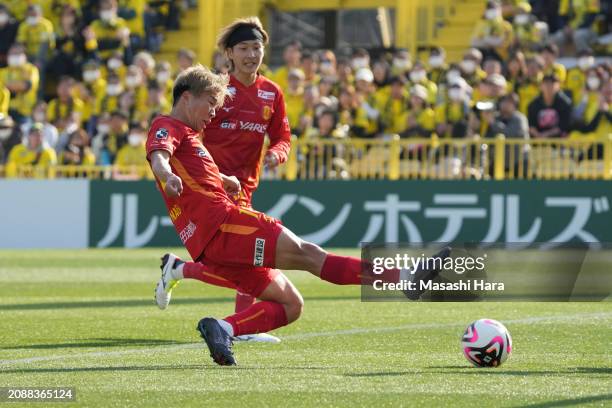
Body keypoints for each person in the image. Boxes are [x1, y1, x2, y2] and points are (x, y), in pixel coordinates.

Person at [147, 64, 450, 365]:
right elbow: (160, 155)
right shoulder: (168, 125)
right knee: (310, 255)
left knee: (291, 304)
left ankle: (223, 328)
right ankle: (404, 277)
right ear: (186, 97)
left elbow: (192, 172)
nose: (214, 113)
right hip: (224, 226)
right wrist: (165, 175)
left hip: (208, 245)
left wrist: (224, 178)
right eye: (211, 103)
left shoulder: (189, 135)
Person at [176, 17, 293, 343]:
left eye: (257, 47)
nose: (251, 54)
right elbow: (190, 133)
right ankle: (240, 326)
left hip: (246, 188)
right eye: (243, 48)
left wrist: (278, 154)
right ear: (229, 53)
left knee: (243, 260)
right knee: (255, 256)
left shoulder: (272, 93)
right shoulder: (217, 91)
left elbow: (282, 135)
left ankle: (179, 270)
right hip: (212, 190)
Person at [527, 74, 573, 138]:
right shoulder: (533, 104)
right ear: (541, 86)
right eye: (546, 83)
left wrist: (546, 135)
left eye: (552, 83)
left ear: (558, 86)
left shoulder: (565, 104)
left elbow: (564, 125)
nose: (549, 86)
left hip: (558, 144)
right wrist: (539, 136)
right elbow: (531, 125)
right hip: (538, 144)